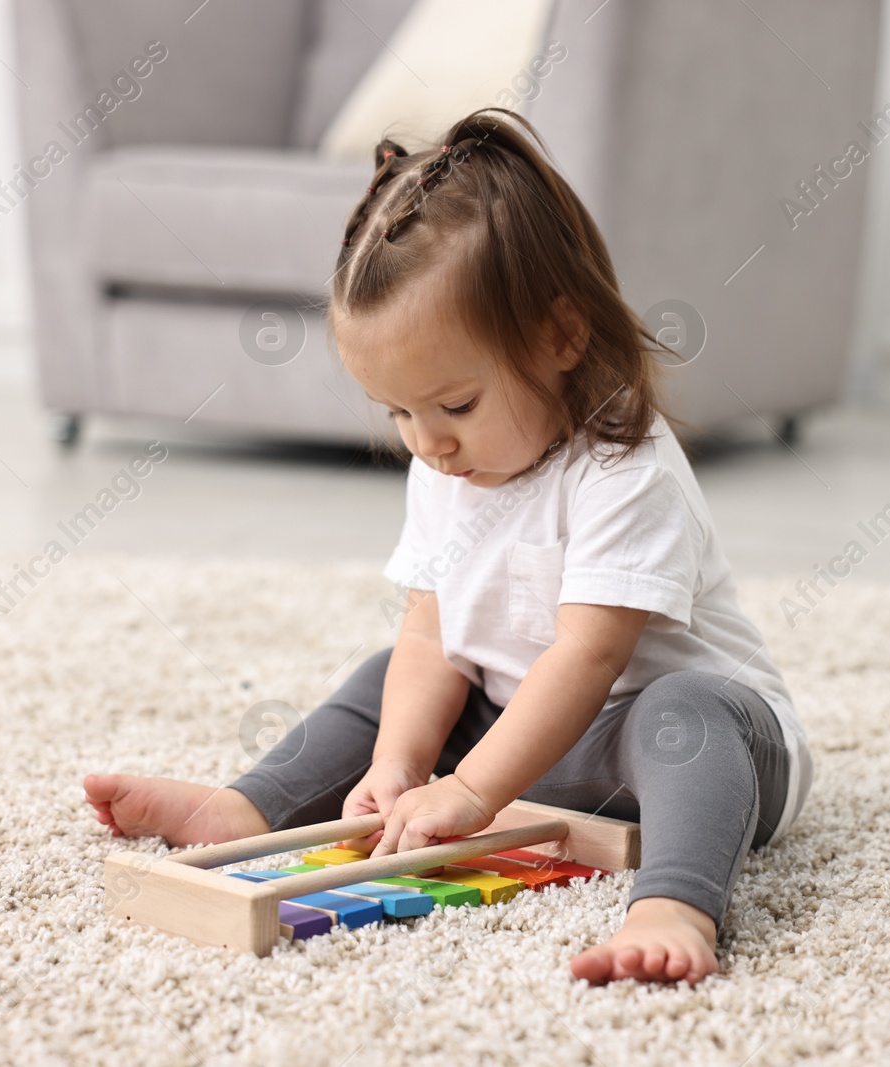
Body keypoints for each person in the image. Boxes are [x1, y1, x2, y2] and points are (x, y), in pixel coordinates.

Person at [84, 107, 813, 985]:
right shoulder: (445, 464)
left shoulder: (625, 464)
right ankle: (247, 806)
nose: (426, 442)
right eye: (400, 413)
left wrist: (469, 791)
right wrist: (399, 763)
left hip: (682, 743)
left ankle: (678, 902)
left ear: (560, 336)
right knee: (386, 671)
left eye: (455, 406)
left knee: (682, 711)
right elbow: (434, 635)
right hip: (537, 741)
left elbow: (586, 658)